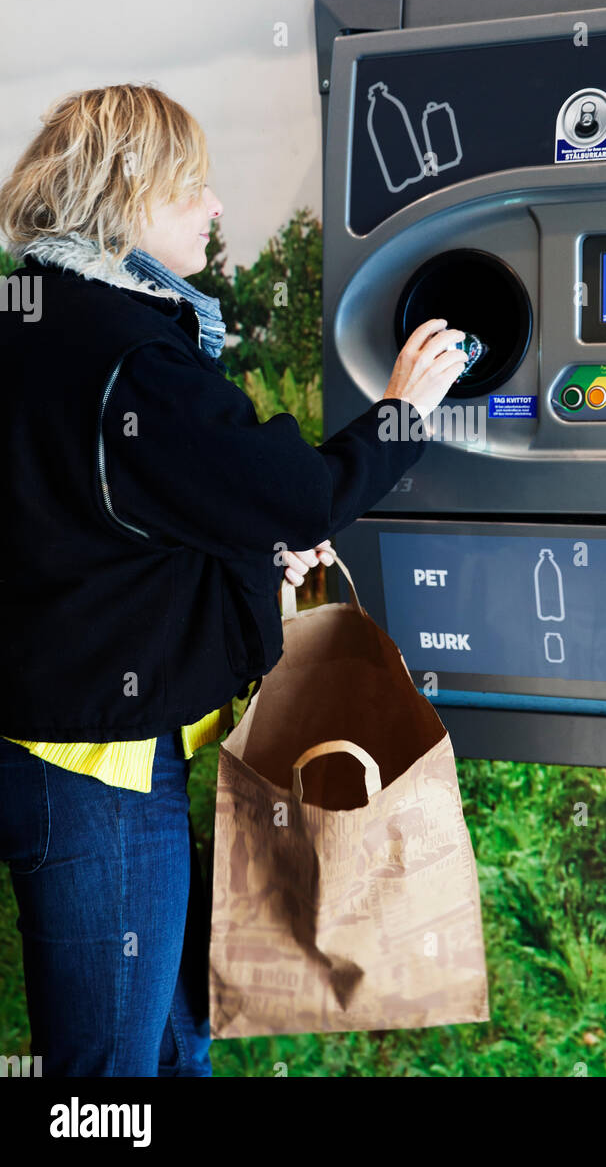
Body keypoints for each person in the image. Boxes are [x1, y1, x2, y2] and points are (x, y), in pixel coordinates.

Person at [0, 82, 468, 1077]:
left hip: (53, 751)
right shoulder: (127, 358)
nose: (215, 211)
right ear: (127, 197)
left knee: (172, 1044)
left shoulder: (29, 322)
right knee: (112, 1078)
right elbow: (300, 493)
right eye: (194, 190)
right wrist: (402, 410)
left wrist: (244, 551)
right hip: (102, 775)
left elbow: (88, 524)